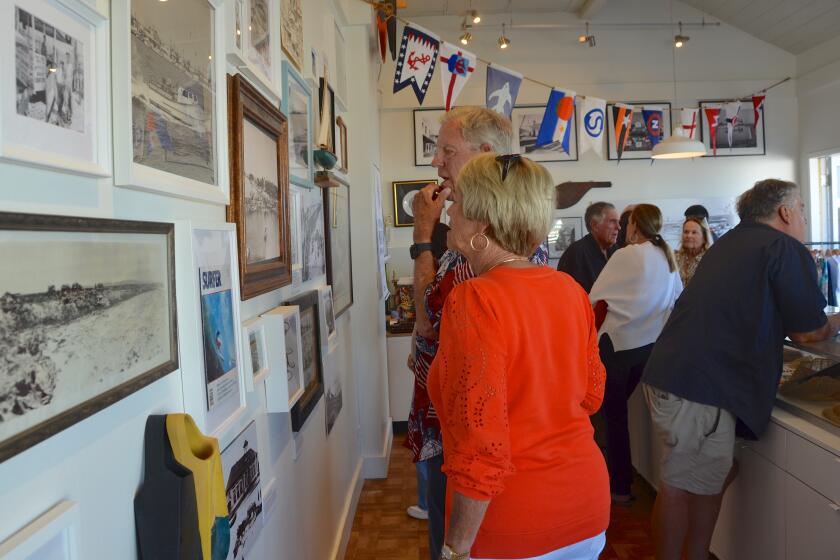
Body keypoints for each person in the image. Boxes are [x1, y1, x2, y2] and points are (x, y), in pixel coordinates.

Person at [642, 179, 840, 560]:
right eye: (801, 208)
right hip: (700, 387)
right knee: (680, 487)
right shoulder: (782, 246)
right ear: (785, 212)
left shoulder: (731, 241)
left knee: (703, 480)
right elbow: (809, 330)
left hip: (680, 377)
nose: (802, 217)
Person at [428, 154, 609, 560]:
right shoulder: (569, 289)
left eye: (455, 202)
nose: (449, 211)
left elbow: (480, 446)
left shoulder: (475, 298)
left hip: (514, 522)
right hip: (586, 506)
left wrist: (455, 549)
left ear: (482, 224)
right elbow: (591, 397)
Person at [407, 106, 548, 560]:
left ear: (485, 154)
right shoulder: (517, 255)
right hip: (471, 439)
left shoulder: (481, 256)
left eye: (447, 150)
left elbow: (430, 325)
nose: (436, 162)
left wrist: (423, 232)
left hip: (468, 447)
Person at [589, 204, 683, 506]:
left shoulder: (626, 255)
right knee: (625, 417)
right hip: (650, 348)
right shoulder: (666, 255)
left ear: (634, 226)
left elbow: (595, 297)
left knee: (613, 419)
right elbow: (676, 299)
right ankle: (626, 479)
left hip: (618, 347)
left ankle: (619, 485)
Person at [556, 202, 620, 292]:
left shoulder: (616, 250)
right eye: (612, 222)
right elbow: (568, 293)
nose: (619, 227)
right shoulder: (576, 253)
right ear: (594, 225)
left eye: (618, 222)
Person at [674, 216, 714, 286]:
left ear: (704, 238)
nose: (689, 236)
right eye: (686, 232)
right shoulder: (674, 258)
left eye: (694, 232)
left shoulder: (710, 260)